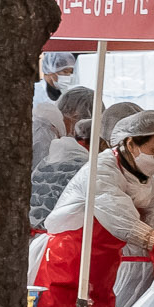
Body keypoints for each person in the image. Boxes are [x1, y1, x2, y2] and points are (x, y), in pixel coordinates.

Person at [35, 110, 154, 307]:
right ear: (130, 143)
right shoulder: (101, 170)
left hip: (105, 264)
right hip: (70, 258)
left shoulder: (147, 180)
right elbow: (119, 215)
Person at [29, 84, 98, 229]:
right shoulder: (45, 134)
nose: (81, 129)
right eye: (81, 120)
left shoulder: (49, 130)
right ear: (73, 114)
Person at [32, 53, 76, 167]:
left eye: (71, 72)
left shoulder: (66, 93)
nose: (69, 76)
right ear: (51, 69)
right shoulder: (34, 92)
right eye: (65, 72)